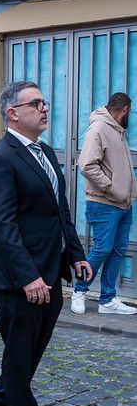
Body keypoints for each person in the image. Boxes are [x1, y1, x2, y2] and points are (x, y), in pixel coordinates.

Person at [0, 80, 91, 406]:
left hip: (50, 270)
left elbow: (60, 210)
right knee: (19, 351)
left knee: (32, 349)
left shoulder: (43, 151)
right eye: (36, 103)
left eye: (44, 102)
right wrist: (28, 276)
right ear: (13, 113)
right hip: (19, 278)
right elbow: (4, 224)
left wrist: (75, 253)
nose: (45, 109)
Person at [72, 92, 137, 315]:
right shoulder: (99, 128)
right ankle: (79, 290)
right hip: (103, 203)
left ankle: (107, 300)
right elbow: (87, 165)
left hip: (123, 204)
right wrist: (112, 187)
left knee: (117, 250)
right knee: (102, 248)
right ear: (126, 110)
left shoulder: (118, 131)